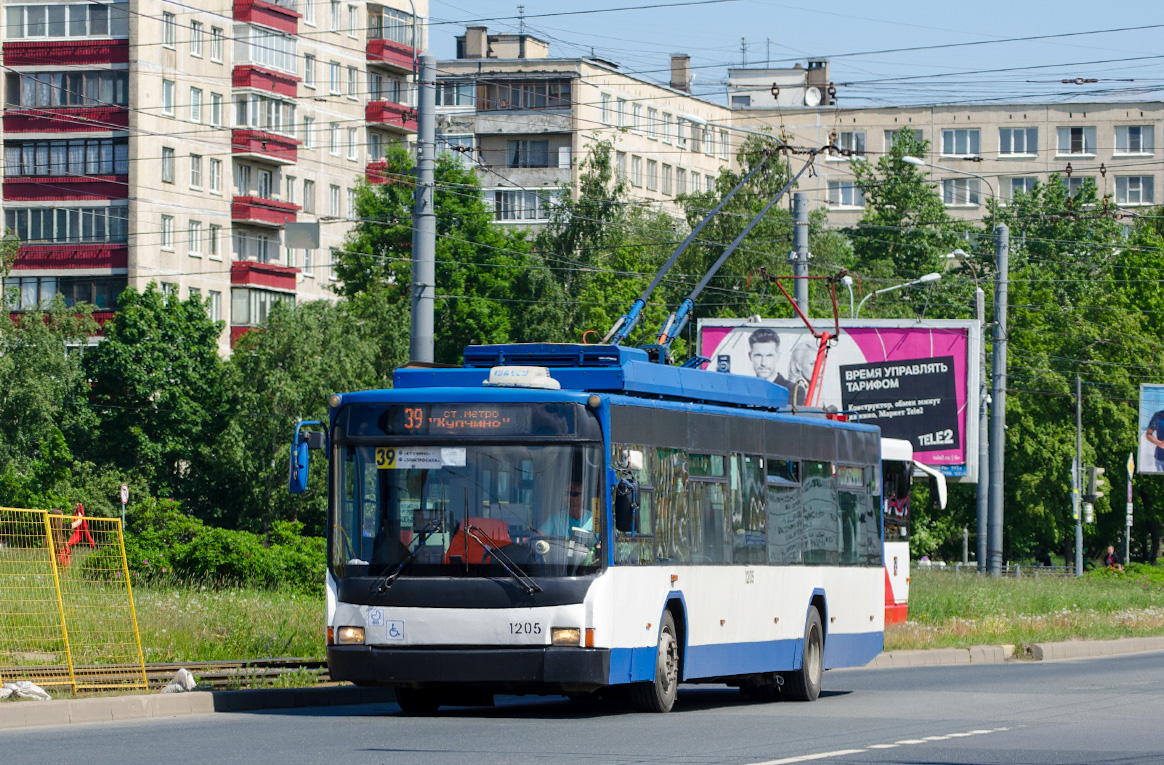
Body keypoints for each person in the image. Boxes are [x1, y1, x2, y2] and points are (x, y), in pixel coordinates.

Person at [787, 340, 817, 406]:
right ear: (799, 365)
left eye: (821, 364)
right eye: (812, 364)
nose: (819, 369)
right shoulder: (792, 391)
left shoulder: (818, 392)